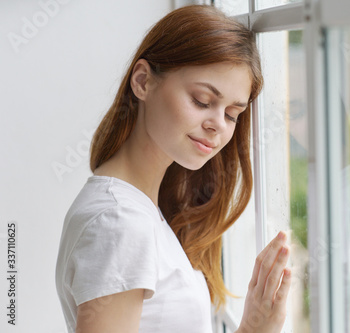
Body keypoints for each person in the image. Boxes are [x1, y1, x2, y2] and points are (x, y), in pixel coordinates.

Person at [55, 5, 292, 333]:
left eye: (232, 114)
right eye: (202, 100)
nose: (217, 126)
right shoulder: (120, 222)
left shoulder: (138, 208)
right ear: (142, 82)